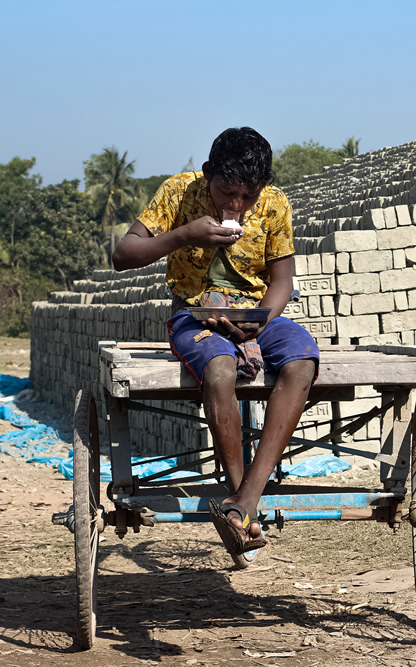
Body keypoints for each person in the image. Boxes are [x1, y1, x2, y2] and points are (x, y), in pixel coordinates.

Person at [112, 127, 319, 556]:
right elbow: (122, 255)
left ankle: (245, 501)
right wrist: (184, 235)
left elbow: (281, 282)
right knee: (220, 368)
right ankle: (236, 497)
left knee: (302, 359)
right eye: (226, 192)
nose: (235, 205)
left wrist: (261, 322)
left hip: (256, 314)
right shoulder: (178, 193)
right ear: (208, 174)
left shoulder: (275, 205)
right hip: (195, 312)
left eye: (247, 195)